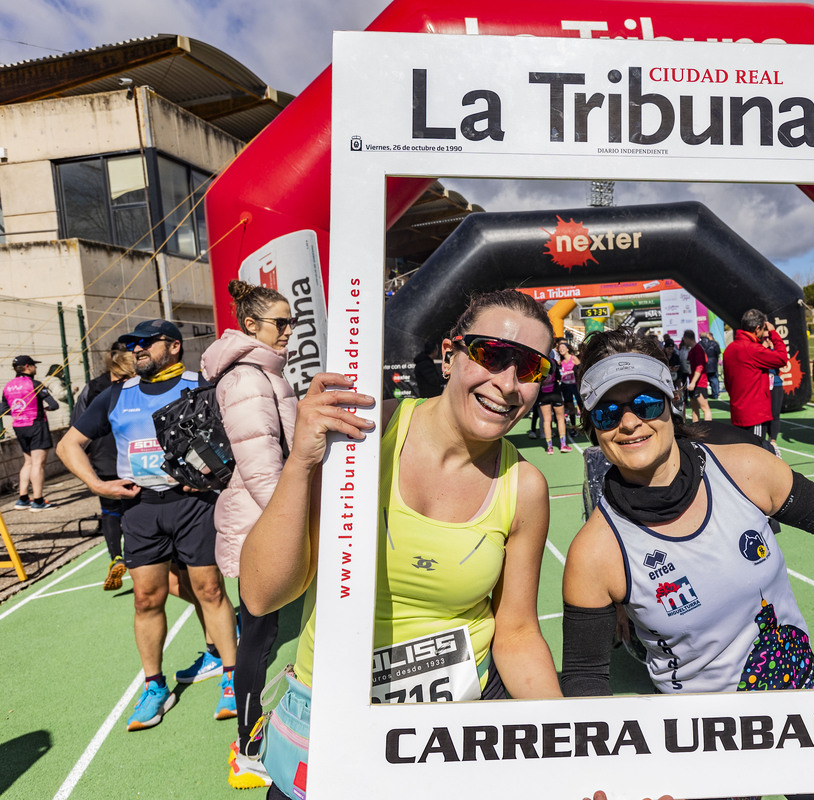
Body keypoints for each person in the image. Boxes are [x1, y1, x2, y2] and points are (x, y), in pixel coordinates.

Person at [559, 329, 814, 800]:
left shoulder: (745, 468)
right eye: (607, 411)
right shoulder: (593, 553)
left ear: (671, 401)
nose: (628, 423)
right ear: (592, 426)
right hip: (701, 745)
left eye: (644, 402)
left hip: (801, 707)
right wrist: (600, 777)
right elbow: (585, 680)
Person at [238, 290, 563, 800]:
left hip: (449, 738)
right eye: (491, 355)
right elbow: (261, 595)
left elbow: (517, 632)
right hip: (331, 726)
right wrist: (301, 461)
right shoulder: (364, 434)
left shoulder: (524, 487)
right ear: (449, 354)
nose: (506, 383)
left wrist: (563, 746)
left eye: (529, 368)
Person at [57, 319, 239, 731]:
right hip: (140, 509)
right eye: (132, 344)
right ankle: (155, 687)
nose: (136, 349)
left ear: (173, 346)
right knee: (146, 600)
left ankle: (230, 674)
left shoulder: (202, 383)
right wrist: (98, 484)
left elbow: (237, 437)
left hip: (193, 504)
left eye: (146, 343)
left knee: (210, 590)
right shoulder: (115, 395)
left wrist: (213, 478)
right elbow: (68, 445)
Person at [200, 280, 298, 788]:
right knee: (259, 644)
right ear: (251, 326)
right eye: (280, 323)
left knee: (271, 639)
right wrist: (298, 526)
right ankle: (248, 748)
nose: (289, 331)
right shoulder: (246, 379)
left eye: (292, 322)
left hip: (269, 525)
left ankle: (261, 737)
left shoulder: (265, 373)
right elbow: (262, 470)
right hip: (262, 529)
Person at [71, 344, 137, 589]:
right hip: (131, 455)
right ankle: (136, 555)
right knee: (135, 504)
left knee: (110, 509)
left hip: (103, 454)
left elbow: (76, 425)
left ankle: (115, 556)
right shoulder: (138, 387)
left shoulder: (93, 387)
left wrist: (88, 455)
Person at [2, 355, 61, 511]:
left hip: (19, 426)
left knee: (28, 462)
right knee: (38, 463)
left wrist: (19, 411)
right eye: (34, 366)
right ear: (28, 367)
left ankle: (22, 499)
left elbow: (3, 409)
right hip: (36, 424)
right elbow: (54, 405)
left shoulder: (8, 386)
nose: (36, 368)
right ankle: (38, 501)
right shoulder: (34, 384)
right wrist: (46, 408)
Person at [723, 309, 787, 440]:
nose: (764, 333)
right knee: (757, 451)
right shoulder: (752, 349)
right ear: (757, 328)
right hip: (755, 414)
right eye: (763, 329)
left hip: (738, 411)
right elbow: (782, 358)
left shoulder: (730, 349)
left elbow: (727, 382)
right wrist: (774, 333)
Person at [537, 355, 571, 454]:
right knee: (560, 418)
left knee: (547, 420)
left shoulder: (539, 362)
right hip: (555, 392)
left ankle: (549, 447)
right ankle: (563, 444)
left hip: (543, 393)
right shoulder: (553, 362)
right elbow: (558, 377)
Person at [681, 330, 712, 423]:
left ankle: (709, 429)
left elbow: (700, 367)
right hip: (693, 382)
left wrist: (693, 382)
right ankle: (695, 430)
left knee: (704, 408)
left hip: (699, 383)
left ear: (687, 338)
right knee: (694, 409)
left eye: (684, 339)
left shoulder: (698, 349)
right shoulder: (692, 350)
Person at [557, 339, 583, 432]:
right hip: (566, 387)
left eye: (562, 347)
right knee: (571, 407)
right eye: (559, 348)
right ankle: (573, 427)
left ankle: (585, 424)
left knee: (581, 405)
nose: (560, 349)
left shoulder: (574, 358)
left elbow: (582, 370)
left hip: (575, 386)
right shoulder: (560, 362)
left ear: (567, 349)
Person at [699, 330, 722, 398]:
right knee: (714, 379)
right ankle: (715, 394)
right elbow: (718, 352)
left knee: (704, 380)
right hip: (713, 363)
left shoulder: (699, 344)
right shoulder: (714, 343)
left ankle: (704, 394)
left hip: (703, 364)